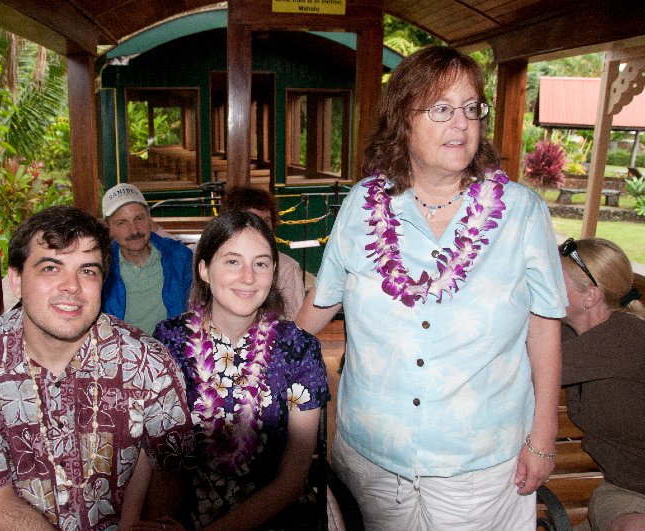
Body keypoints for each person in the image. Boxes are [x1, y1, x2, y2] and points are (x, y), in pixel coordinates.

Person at [295, 45, 567, 529]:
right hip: (372, 463)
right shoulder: (362, 205)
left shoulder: (522, 213)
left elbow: (544, 328)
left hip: (481, 471)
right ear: (403, 120)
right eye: (441, 109)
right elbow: (320, 305)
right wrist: (249, 345)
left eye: (470, 108)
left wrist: (542, 437)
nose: (460, 123)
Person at [0, 205, 193, 531]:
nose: (72, 286)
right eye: (51, 268)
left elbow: (171, 470)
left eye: (87, 271)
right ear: (16, 280)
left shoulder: (147, 363)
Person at [147, 211, 330, 530]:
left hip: (275, 518)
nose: (248, 277)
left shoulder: (298, 349)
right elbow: (162, 461)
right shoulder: (169, 342)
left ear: (273, 272)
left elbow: (292, 480)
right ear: (204, 269)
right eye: (232, 261)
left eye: (261, 263)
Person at [558, 237, 645, 531]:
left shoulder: (626, 336)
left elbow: (522, 368)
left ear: (590, 296)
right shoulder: (571, 335)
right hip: (626, 495)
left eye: (556, 278)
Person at [101, 183, 193, 333]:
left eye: (139, 218)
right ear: (109, 228)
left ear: (149, 218)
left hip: (171, 351)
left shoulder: (180, 257)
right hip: (119, 352)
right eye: (122, 223)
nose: (134, 230)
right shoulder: (102, 266)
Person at [220, 186, 306, 319]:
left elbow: (296, 323)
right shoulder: (213, 261)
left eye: (266, 221)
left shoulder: (286, 268)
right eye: (253, 220)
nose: (261, 228)